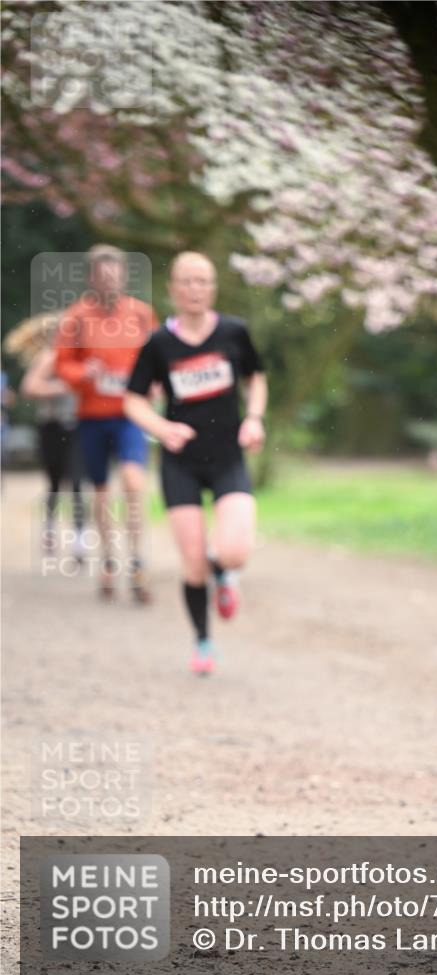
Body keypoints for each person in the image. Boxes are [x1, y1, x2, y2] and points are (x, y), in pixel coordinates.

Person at [124, 251, 267, 674]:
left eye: (202, 281)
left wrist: (254, 419)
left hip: (227, 457)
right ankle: (203, 644)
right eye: (185, 281)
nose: (194, 289)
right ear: (172, 289)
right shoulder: (159, 344)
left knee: (236, 551)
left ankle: (225, 573)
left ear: (213, 287)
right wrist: (161, 428)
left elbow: (255, 377)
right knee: (192, 564)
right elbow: (132, 399)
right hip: (180, 462)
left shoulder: (234, 332)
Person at [54, 245, 159, 601]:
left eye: (115, 274)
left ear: (124, 276)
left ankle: (136, 560)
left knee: (133, 482)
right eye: (103, 275)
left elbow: (157, 358)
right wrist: (85, 372)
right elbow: (62, 366)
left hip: (129, 415)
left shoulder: (142, 314)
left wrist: (154, 382)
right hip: (92, 418)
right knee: (101, 492)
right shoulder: (76, 317)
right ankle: (109, 559)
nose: (110, 281)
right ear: (91, 279)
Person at [6, 311, 85, 557]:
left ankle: (79, 536)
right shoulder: (49, 358)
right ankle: (50, 529)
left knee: (77, 481)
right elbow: (29, 387)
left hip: (78, 427)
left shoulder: (82, 359)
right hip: (52, 426)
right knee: (54, 481)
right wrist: (62, 386)